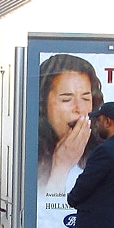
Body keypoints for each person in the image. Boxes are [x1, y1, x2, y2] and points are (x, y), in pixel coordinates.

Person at [37, 54, 99, 192]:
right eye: (66, 99)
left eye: (86, 99)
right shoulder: (29, 154)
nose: (79, 109)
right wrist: (61, 167)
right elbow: (44, 207)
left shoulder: (103, 155)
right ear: (43, 104)